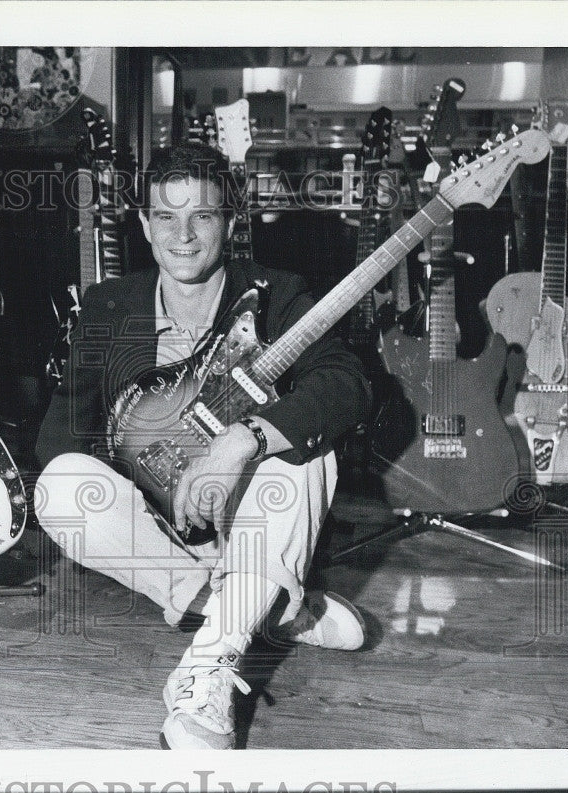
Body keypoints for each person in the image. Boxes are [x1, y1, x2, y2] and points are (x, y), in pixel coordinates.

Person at [34, 143, 372, 750]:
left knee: (308, 453)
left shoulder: (278, 295)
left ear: (232, 222)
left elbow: (348, 387)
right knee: (59, 487)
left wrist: (240, 442)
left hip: (250, 509)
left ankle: (207, 672)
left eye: (203, 217)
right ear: (143, 224)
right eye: (166, 216)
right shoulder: (109, 306)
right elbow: (60, 432)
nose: (183, 235)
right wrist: (148, 467)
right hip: (158, 523)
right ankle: (261, 608)